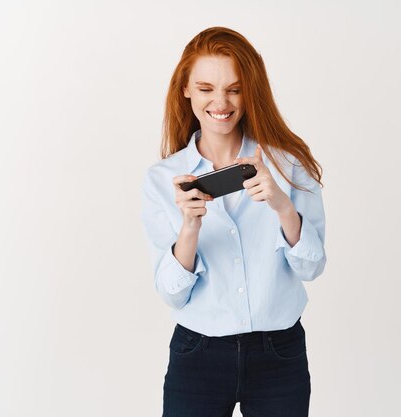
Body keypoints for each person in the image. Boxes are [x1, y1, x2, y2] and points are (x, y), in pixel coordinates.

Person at [141, 26, 327, 417]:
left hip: (279, 354)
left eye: (234, 89)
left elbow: (311, 267)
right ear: (186, 90)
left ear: (250, 91)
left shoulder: (288, 165)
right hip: (198, 354)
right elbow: (172, 293)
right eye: (206, 88)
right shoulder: (163, 179)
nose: (220, 102)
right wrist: (190, 225)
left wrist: (280, 204)